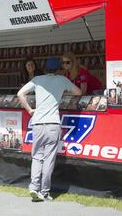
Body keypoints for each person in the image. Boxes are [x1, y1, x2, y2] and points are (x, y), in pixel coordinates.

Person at [17, 58, 81, 202]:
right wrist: (63, 93)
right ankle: (44, 192)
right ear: (59, 68)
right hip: (53, 123)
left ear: (45, 68)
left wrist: (29, 110)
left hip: (38, 123)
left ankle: (33, 188)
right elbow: (78, 92)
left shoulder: (38, 79)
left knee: (37, 157)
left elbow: (20, 94)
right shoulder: (62, 80)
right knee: (49, 159)